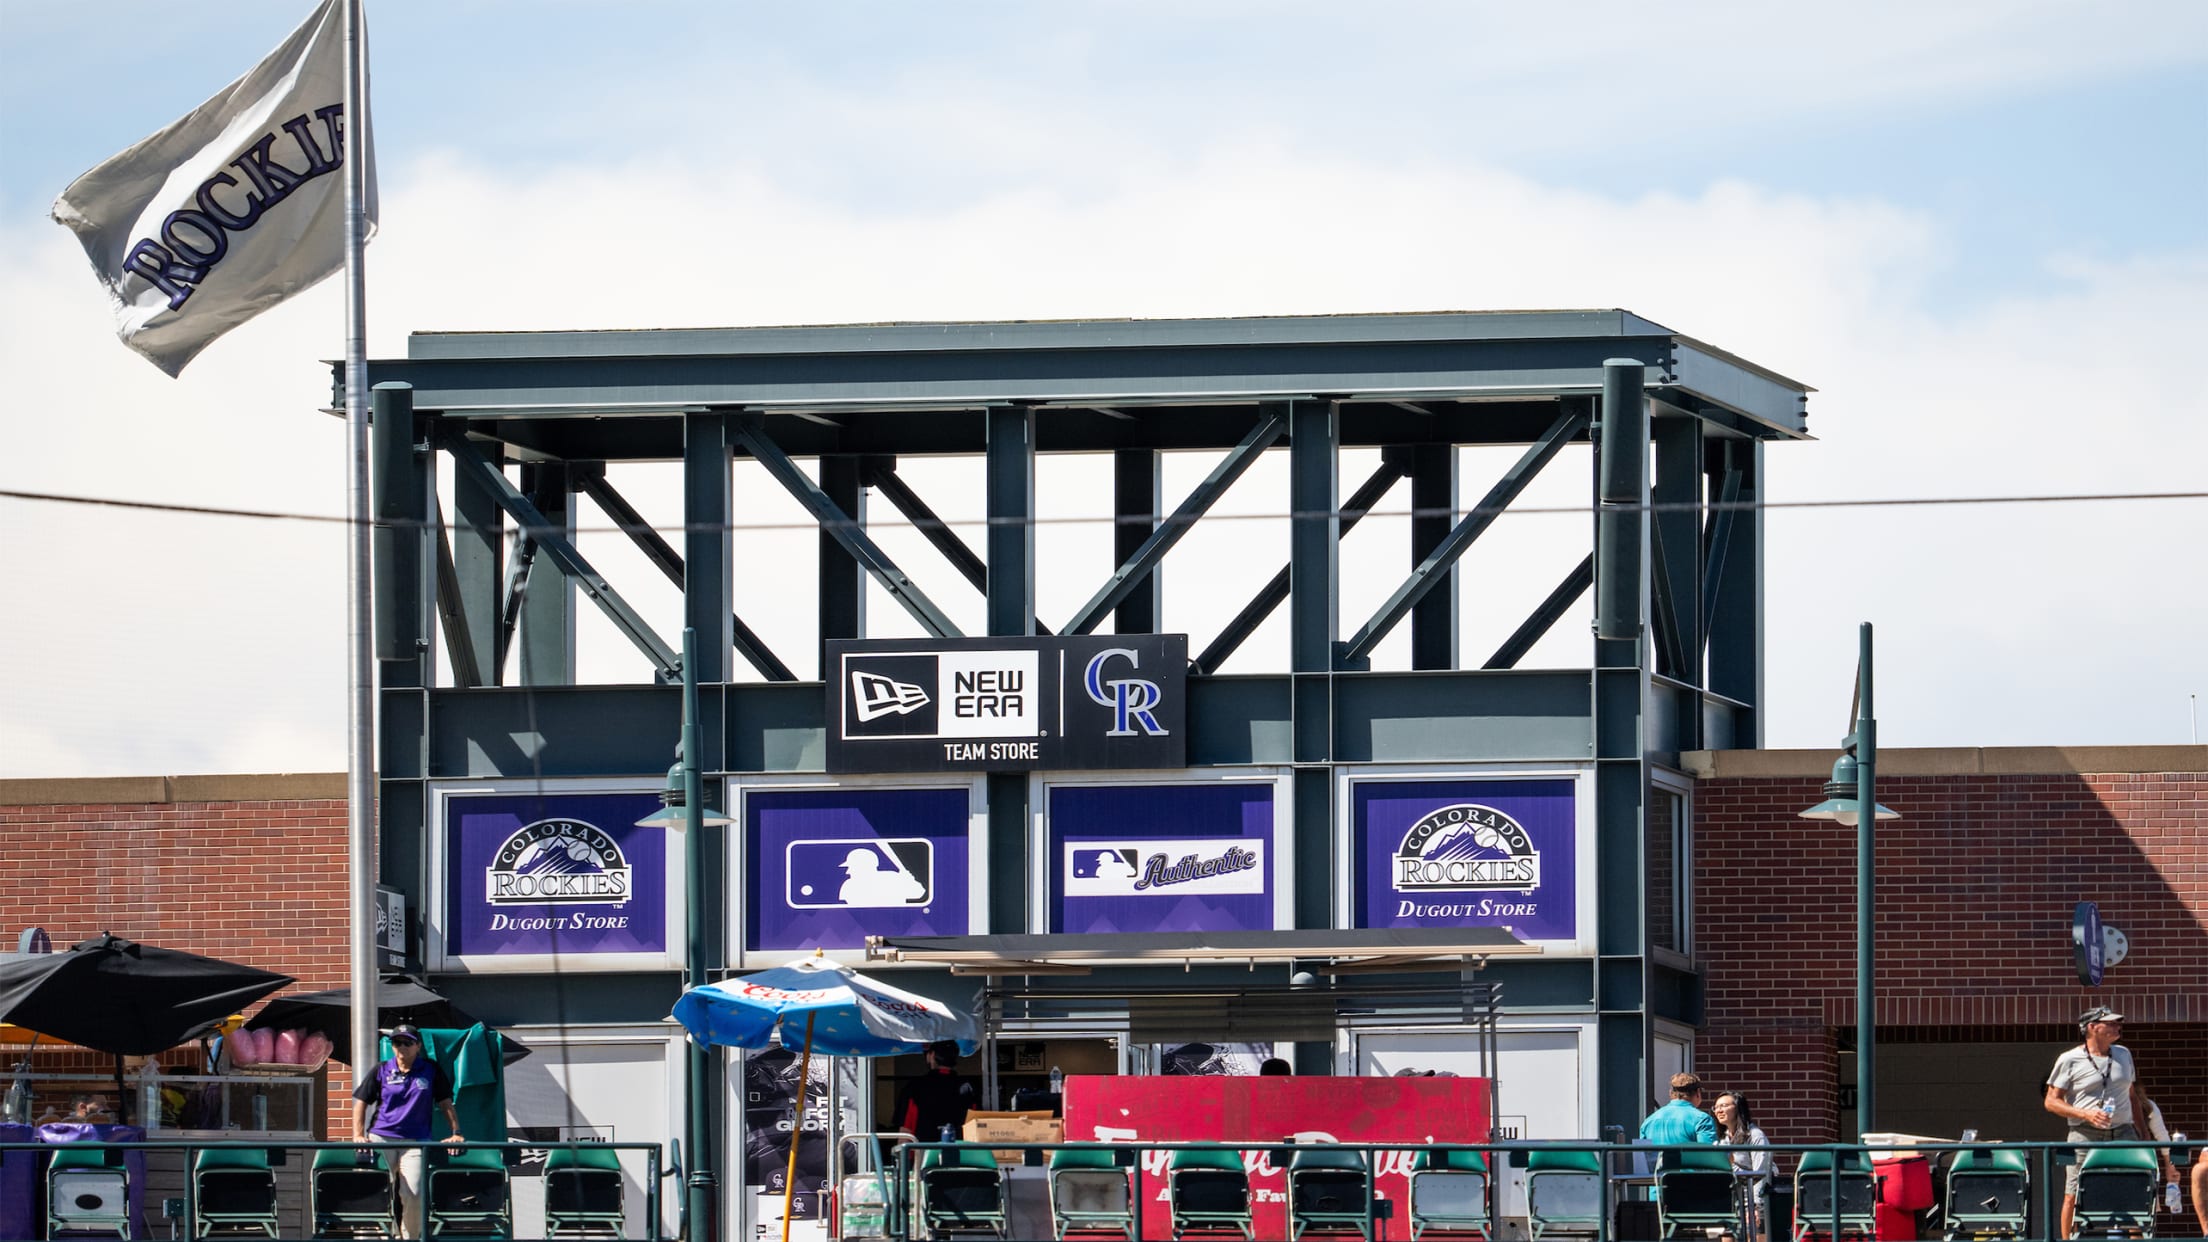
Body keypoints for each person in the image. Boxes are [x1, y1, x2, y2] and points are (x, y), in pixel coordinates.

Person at [352, 1023, 464, 1240]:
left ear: (418, 1046)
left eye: (407, 1042)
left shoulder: (431, 1070)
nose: (401, 1047)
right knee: (376, 1188)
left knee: (414, 1193)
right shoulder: (381, 1069)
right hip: (381, 1136)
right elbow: (361, 1102)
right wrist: (358, 1134)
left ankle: (410, 1237)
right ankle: (380, 1235)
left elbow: (446, 1103)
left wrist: (456, 1131)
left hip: (416, 1140)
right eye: (396, 1042)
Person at [2044, 1006, 2136, 1240]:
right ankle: (2067, 1238)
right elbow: (2051, 1101)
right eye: (2111, 1023)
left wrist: (2141, 1132)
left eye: (2118, 1023)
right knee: (2073, 1191)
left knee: (2136, 1186)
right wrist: (2085, 1114)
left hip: (2124, 1131)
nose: (2117, 1027)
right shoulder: (2070, 1059)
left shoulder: (2124, 1054)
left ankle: (2138, 1236)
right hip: (2085, 1133)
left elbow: (2132, 1095)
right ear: (2092, 1027)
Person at [1714, 1092, 1772, 1242]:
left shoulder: (1755, 1135)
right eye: (1716, 1107)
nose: (1719, 1110)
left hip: (1755, 1199)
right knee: (1727, 1237)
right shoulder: (1722, 1139)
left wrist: (1754, 1207)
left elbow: (1761, 1174)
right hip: (1732, 1200)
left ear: (1738, 1108)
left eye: (1724, 1106)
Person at [893, 1039, 974, 1140]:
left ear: (931, 1055)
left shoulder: (915, 1087)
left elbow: (906, 1128)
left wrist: (902, 1153)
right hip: (959, 1151)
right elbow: (973, 1124)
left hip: (923, 1151)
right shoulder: (967, 1088)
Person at [2127, 1082, 2181, 1214]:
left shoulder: (2148, 1106)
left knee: (2138, 1214)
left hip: (2139, 1163)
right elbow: (2163, 1137)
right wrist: (2169, 1166)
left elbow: (2162, 1138)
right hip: (2133, 1162)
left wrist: (2170, 1166)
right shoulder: (2111, 1104)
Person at [1640, 1072, 1718, 1146]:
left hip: (1659, 1160)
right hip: (1688, 1160)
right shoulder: (1702, 1119)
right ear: (1698, 1092)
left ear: (1670, 1093)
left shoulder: (1648, 1121)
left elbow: (1642, 1157)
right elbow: (1709, 1155)